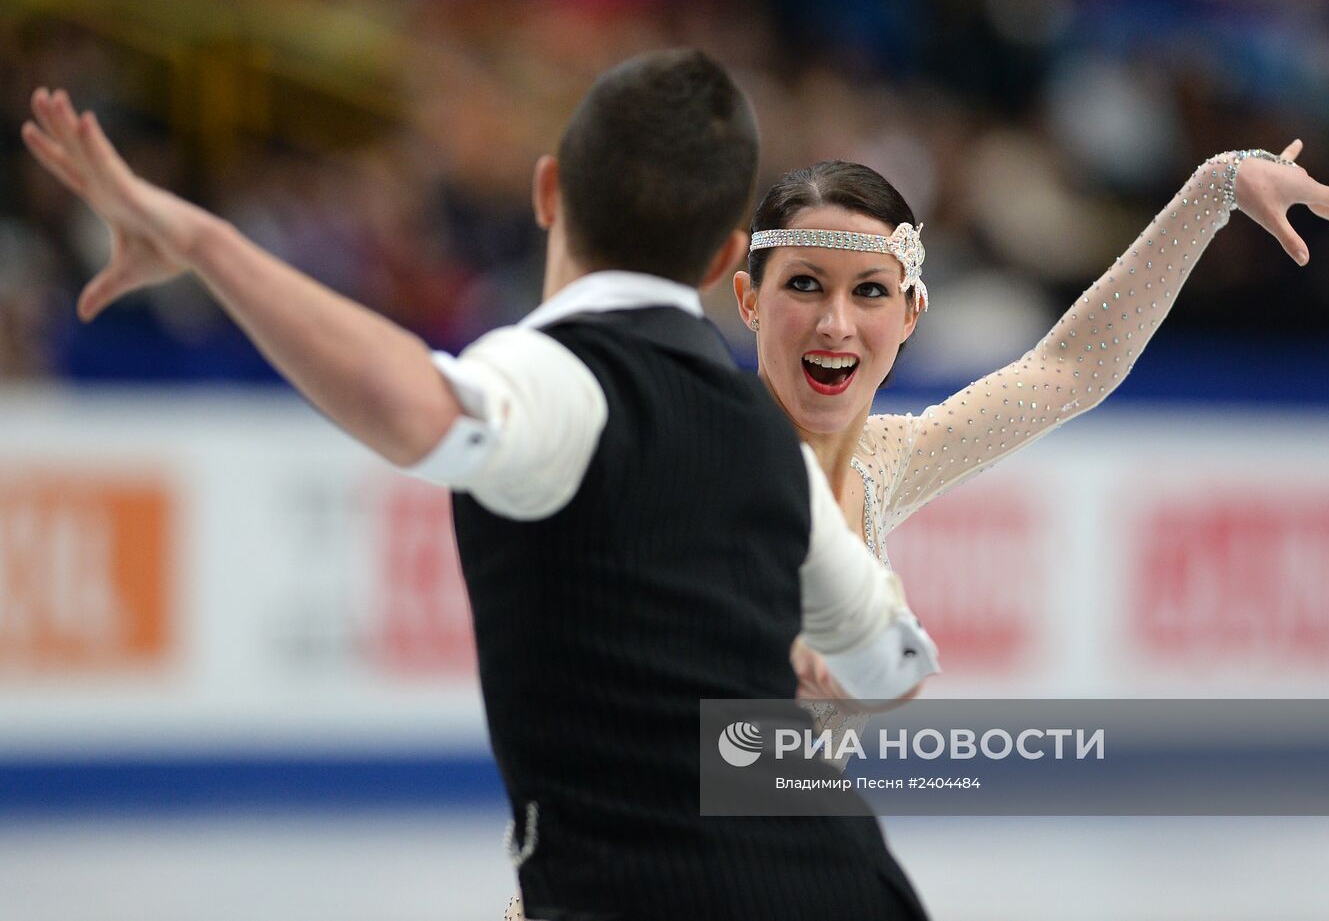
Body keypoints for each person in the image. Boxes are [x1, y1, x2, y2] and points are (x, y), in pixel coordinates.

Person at [22, 51, 940, 921]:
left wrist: (207, 244)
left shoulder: (561, 379)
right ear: (721, 262)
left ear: (548, 193)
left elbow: (415, 405)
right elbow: (890, 663)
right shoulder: (765, 442)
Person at [734, 150, 1329, 719]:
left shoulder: (883, 457)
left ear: (910, 314)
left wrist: (1217, 187)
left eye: (870, 291)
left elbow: (1072, 367)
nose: (836, 324)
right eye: (804, 285)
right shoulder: (699, 454)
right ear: (749, 300)